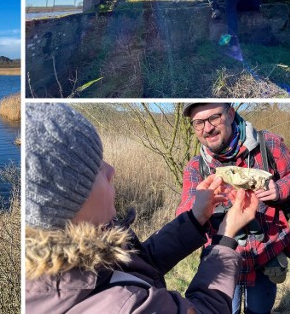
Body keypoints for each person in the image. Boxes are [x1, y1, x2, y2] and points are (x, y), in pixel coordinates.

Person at [26, 103, 260, 313]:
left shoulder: (83, 251)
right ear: (69, 199)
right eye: (96, 168)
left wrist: (195, 217)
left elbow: (140, 263)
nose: (111, 170)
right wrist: (226, 237)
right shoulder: (123, 305)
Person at [177, 103, 290, 314]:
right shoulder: (196, 167)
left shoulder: (268, 145)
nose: (207, 128)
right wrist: (201, 206)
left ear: (230, 113)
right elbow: (183, 216)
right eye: (198, 123)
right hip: (223, 265)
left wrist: (279, 189)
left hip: (266, 254)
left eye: (214, 118)